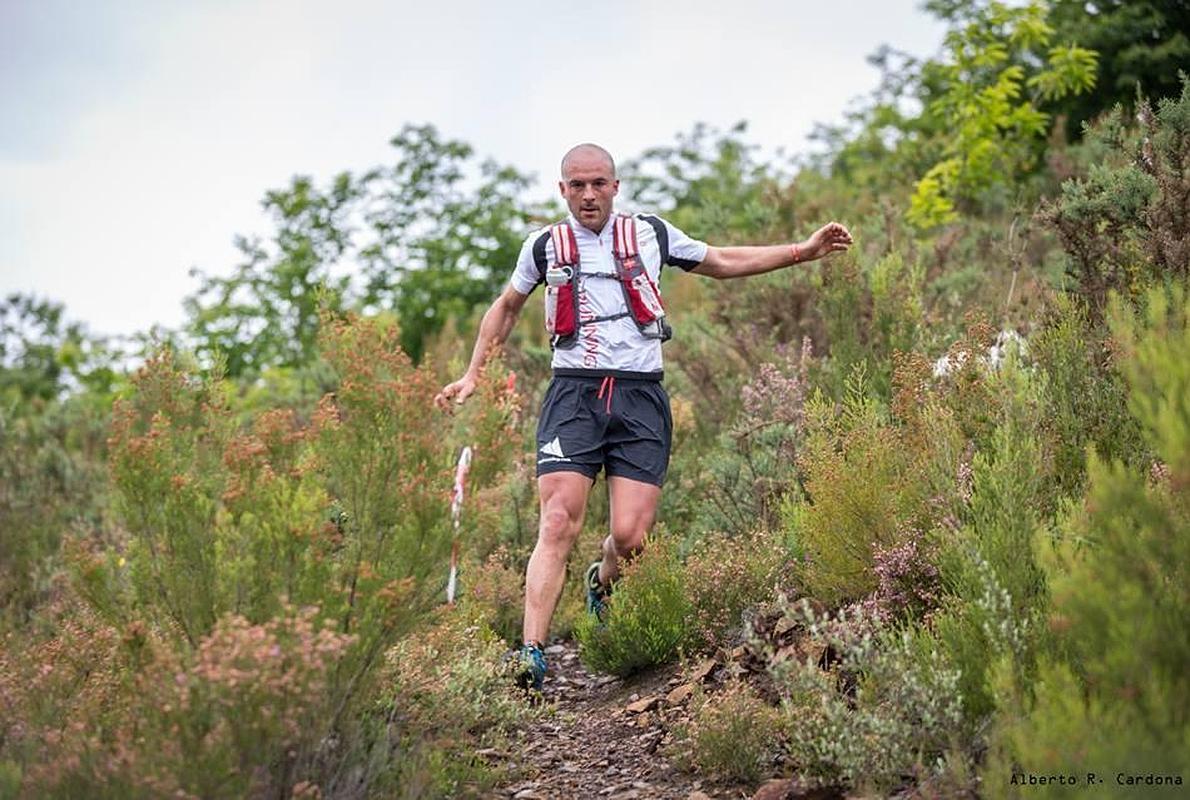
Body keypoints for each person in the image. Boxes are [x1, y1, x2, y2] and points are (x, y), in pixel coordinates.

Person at [434, 143, 852, 690]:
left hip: (639, 397)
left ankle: (601, 584)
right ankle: (531, 655)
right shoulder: (542, 246)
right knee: (557, 520)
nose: (588, 195)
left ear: (615, 186)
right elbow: (506, 308)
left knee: (630, 539)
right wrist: (473, 375)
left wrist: (804, 250)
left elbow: (721, 261)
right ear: (562, 190)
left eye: (598, 184)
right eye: (577, 185)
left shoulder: (651, 233)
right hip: (574, 395)